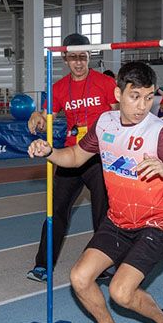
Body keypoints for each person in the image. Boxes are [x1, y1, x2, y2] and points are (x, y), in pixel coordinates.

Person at [28, 61, 163, 323]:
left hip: (155, 224)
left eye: (149, 98)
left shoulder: (160, 133)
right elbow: (74, 157)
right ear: (118, 93)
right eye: (135, 97)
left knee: (122, 293)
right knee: (80, 278)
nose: (142, 106)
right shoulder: (104, 123)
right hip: (118, 220)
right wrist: (50, 153)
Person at [25, 33, 118, 283]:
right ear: (65, 58)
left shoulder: (106, 84)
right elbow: (46, 116)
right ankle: (43, 265)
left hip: (98, 156)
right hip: (70, 156)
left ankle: (104, 265)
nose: (78, 62)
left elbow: (118, 116)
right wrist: (37, 115)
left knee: (103, 214)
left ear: (90, 57)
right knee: (56, 212)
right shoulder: (57, 88)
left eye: (83, 57)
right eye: (73, 57)